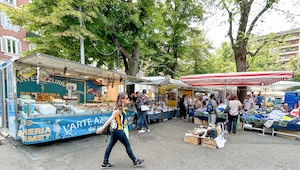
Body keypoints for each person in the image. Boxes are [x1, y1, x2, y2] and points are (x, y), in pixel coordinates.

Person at [96, 92, 144, 168]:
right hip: (118, 131)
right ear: (122, 99)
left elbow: (118, 118)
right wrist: (102, 128)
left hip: (115, 131)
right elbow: (110, 119)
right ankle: (135, 160)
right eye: (126, 98)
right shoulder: (118, 109)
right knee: (127, 145)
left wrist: (123, 121)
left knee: (110, 146)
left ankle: (105, 163)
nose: (128, 99)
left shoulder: (120, 107)